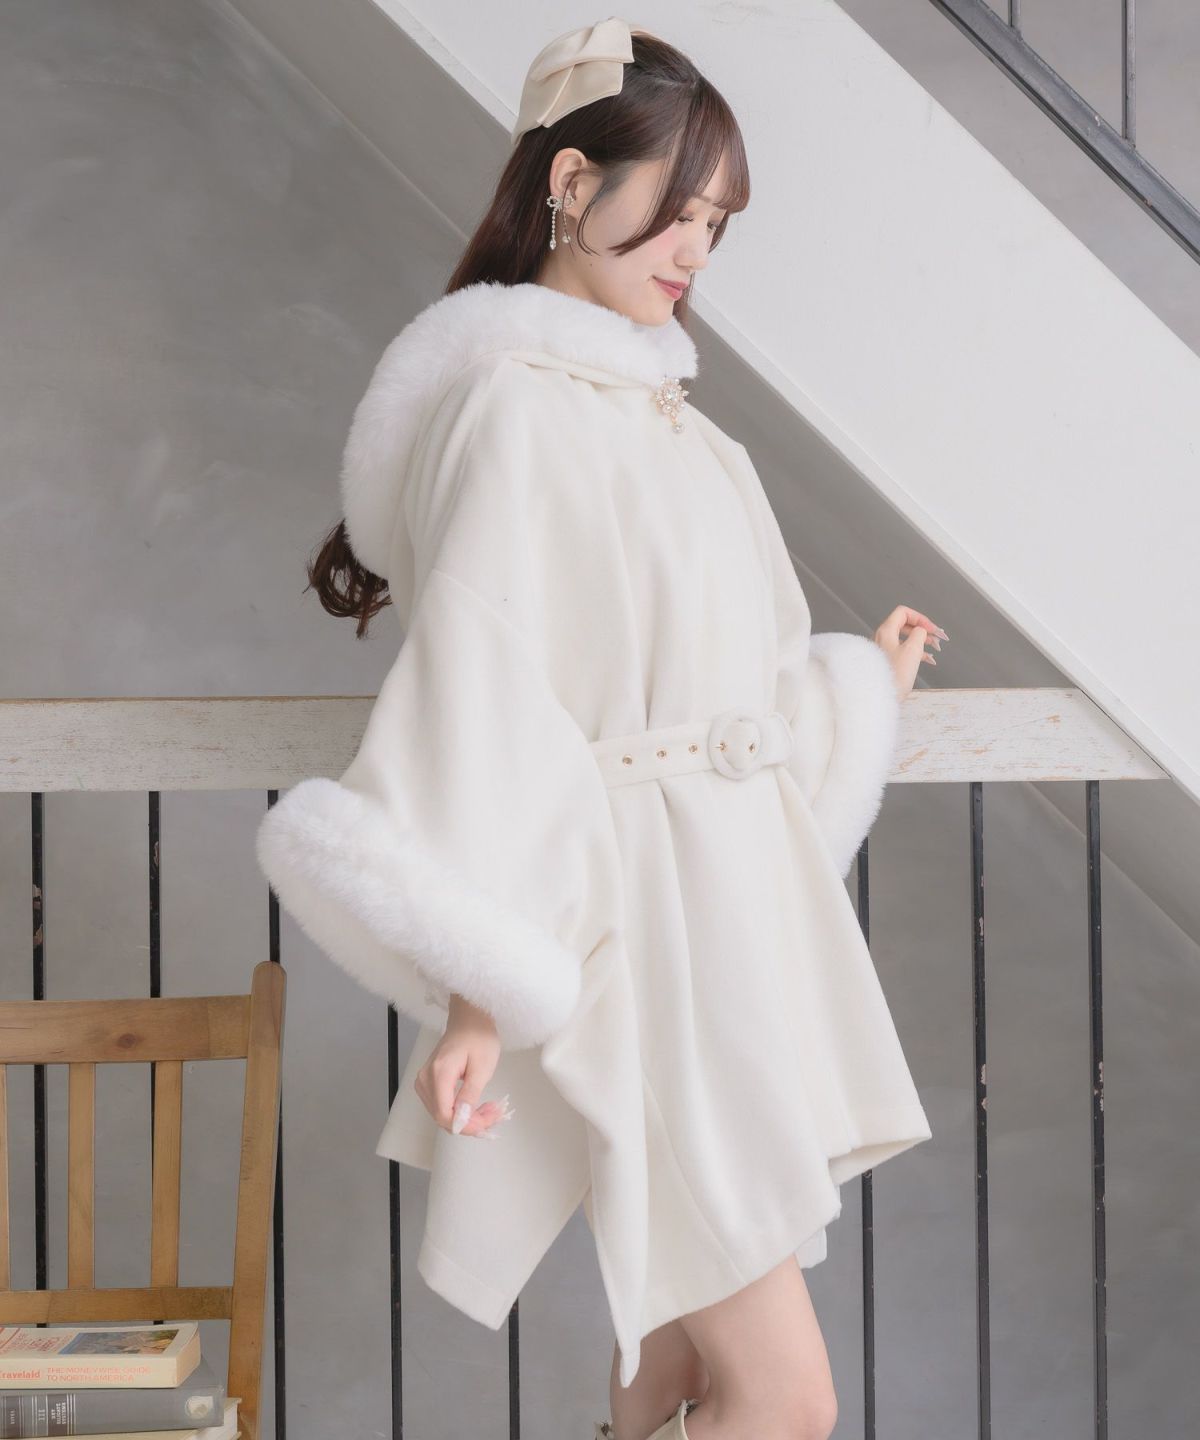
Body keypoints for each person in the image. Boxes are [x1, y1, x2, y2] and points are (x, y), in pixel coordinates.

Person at [256, 16, 945, 1440]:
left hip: (719, 934)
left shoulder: (673, 423)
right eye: (678, 210)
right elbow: (487, 699)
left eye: (718, 223)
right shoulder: (516, 411)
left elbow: (731, 689)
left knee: (671, 1376)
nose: (696, 250)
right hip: (637, 942)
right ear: (571, 184)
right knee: (784, 1401)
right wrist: (480, 989)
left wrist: (855, 693)